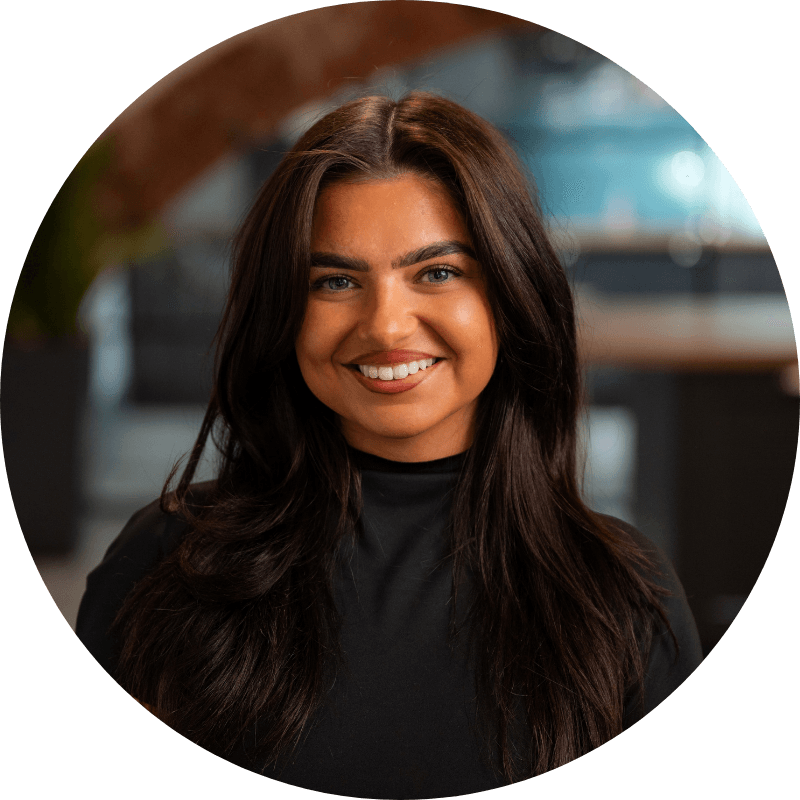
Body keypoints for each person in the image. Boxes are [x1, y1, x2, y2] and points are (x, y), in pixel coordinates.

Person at [77, 92, 702, 799]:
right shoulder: (166, 563)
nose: (386, 325)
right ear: (284, 313)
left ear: (509, 293)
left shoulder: (622, 595)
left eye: (437, 272)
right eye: (336, 280)